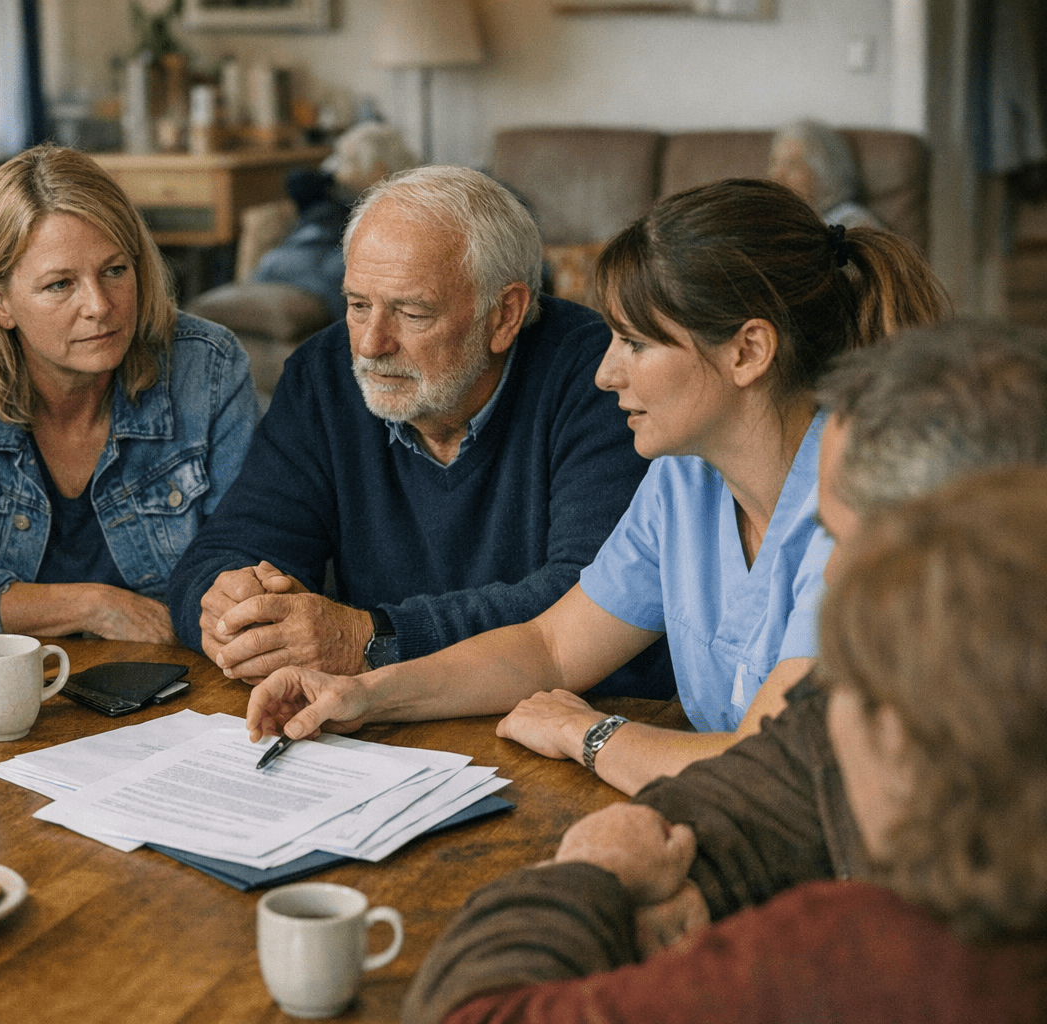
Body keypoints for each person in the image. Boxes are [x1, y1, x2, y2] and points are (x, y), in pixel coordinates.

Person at [400, 319, 1047, 1023]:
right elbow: (776, 782)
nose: (827, 570)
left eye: (840, 539)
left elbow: (470, 1014)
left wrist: (592, 874)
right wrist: (690, 877)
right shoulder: (927, 701)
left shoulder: (886, 956)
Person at [245, 178, 949, 796]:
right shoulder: (686, 479)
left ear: (748, 352)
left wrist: (591, 734)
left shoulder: (868, 506)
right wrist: (364, 695)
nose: (606, 372)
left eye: (637, 344)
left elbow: (768, 769)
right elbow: (549, 647)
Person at [170, 165, 672, 699]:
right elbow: (227, 548)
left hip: (568, 717)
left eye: (411, 312)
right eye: (358, 305)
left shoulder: (604, 379)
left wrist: (371, 638)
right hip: (376, 724)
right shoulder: (324, 375)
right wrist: (233, 601)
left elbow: (592, 607)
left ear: (504, 315)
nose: (369, 344)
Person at [0, 145, 258, 643]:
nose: (100, 306)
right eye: (60, 284)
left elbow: (244, 560)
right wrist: (93, 606)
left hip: (178, 677)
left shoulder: (208, 367)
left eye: (116, 270)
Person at [248, 121, 418, 321]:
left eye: (348, 162)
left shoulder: (396, 202)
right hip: (313, 245)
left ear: (379, 171)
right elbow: (297, 180)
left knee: (330, 271)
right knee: (273, 262)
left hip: (333, 256)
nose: (339, 170)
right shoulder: (336, 191)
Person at [767, 119, 884, 229]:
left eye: (793, 165)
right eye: (774, 163)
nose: (777, 175)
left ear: (824, 174)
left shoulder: (852, 221)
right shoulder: (772, 218)